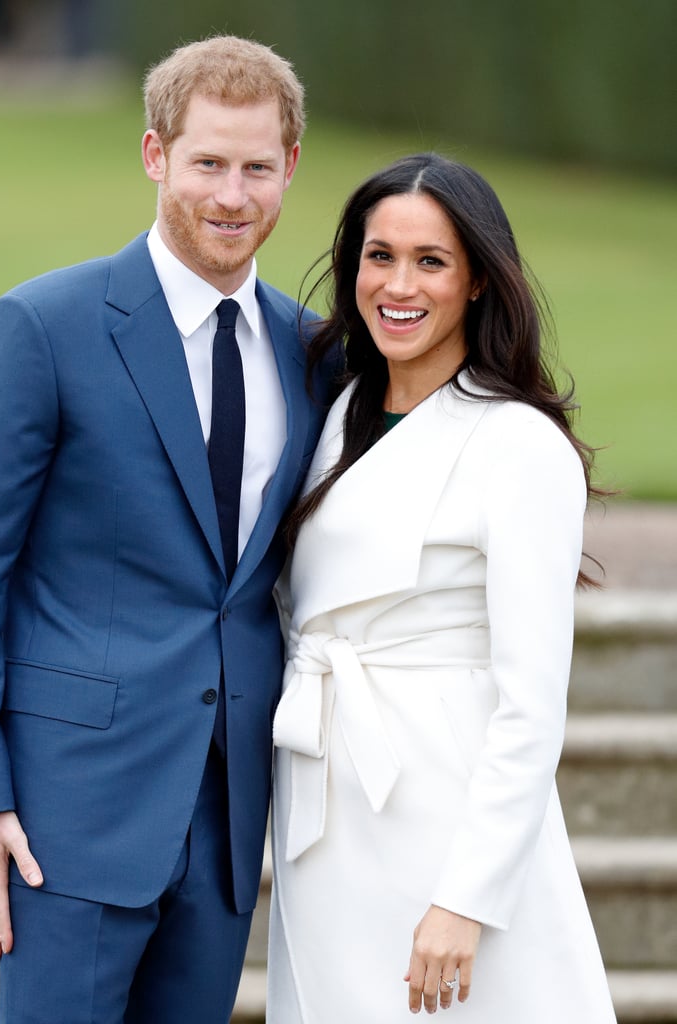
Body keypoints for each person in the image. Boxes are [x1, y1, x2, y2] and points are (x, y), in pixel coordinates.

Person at [0, 35, 338, 1024]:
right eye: (206, 164)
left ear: (288, 169)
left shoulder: (309, 351)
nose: (231, 196)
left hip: (229, 820)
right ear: (154, 156)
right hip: (66, 814)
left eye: (255, 168)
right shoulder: (39, 327)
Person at [267, 153, 617, 1022]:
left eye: (430, 262)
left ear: (476, 284)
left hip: (448, 819)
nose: (398, 284)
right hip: (326, 813)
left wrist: (467, 898)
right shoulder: (333, 417)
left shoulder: (516, 444)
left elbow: (530, 704)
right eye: (378, 256)